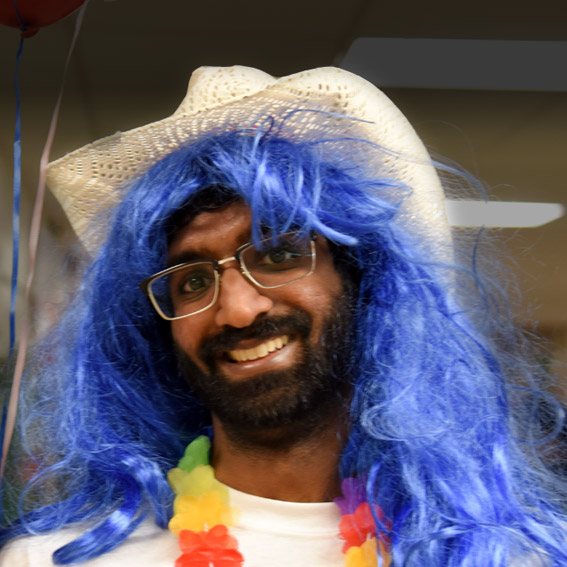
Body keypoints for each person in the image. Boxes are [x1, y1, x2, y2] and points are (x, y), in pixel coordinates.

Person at [0, 65, 566, 567]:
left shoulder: (499, 556)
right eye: (192, 280)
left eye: (278, 254)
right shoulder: (52, 561)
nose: (239, 310)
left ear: (362, 282)